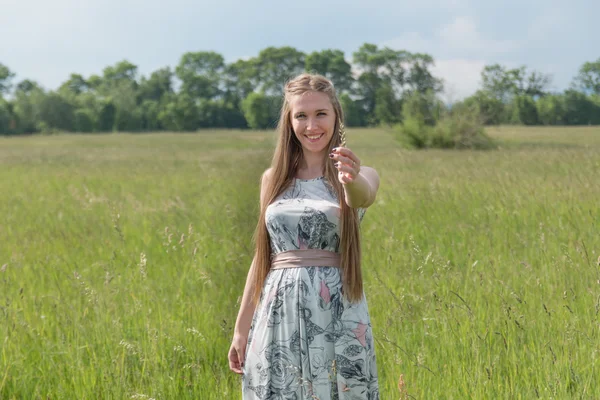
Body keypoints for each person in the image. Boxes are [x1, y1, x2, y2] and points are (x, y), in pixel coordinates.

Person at [228, 73, 380, 399]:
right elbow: (263, 257)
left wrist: (349, 178)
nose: (312, 126)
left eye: (320, 114)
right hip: (277, 310)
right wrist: (241, 330)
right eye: (302, 116)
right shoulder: (273, 179)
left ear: (336, 116)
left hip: (338, 309)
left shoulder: (359, 174)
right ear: (290, 121)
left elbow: (361, 197)